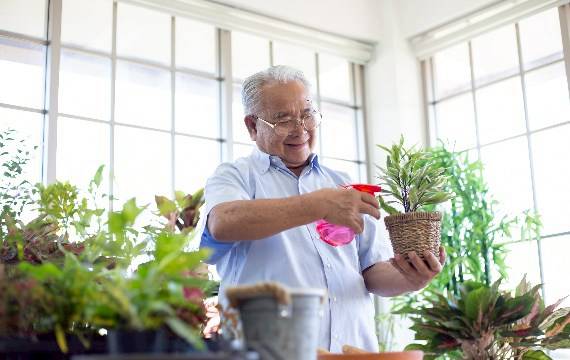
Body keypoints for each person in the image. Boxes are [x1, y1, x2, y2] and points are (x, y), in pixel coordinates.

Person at [198, 65, 445, 352]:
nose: (300, 129)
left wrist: (409, 277)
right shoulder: (235, 176)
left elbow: (371, 272)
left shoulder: (342, 184)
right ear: (253, 127)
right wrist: (318, 205)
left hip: (352, 353)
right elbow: (223, 223)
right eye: (283, 120)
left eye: (306, 115)